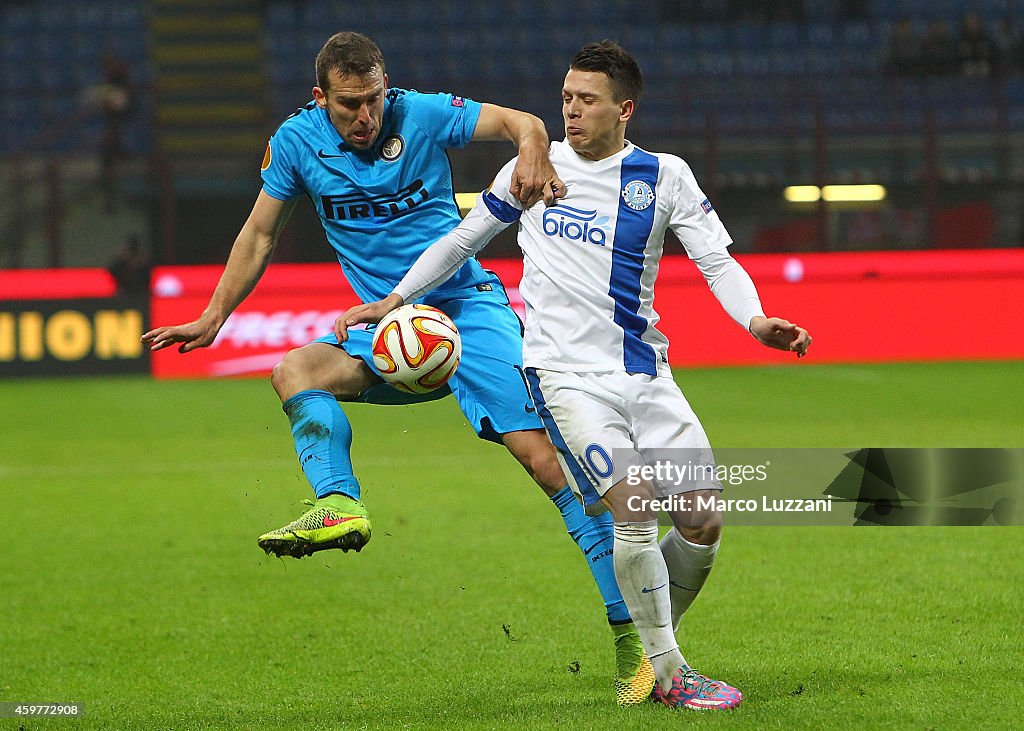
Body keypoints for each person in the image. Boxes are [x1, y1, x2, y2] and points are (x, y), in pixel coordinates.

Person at [141, 32, 653, 705]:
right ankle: (340, 503)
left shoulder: (423, 113)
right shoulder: (296, 143)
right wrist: (214, 316)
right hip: (386, 329)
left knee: (548, 464)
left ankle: (633, 643)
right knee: (294, 369)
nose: (367, 116)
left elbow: (520, 122)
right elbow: (260, 233)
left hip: (467, 311)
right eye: (351, 104)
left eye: (375, 100)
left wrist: (532, 149)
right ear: (321, 97)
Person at [342, 41, 812, 711]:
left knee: (703, 518)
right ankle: (672, 674)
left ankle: (654, 643)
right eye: (565, 97)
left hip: (646, 373)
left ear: (624, 109)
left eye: (586, 100)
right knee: (635, 505)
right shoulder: (535, 168)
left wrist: (756, 319)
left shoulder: (664, 175)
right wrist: (395, 298)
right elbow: (461, 241)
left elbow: (716, 262)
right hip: (563, 374)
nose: (570, 110)